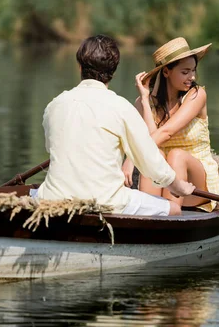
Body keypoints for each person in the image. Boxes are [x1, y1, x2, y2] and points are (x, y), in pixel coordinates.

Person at [36, 35, 195, 216]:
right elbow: (150, 160)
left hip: (52, 198)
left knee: (33, 194)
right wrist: (177, 185)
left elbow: (51, 148)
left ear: (79, 66)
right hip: (106, 201)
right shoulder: (122, 107)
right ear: (114, 71)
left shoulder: (54, 105)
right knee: (174, 210)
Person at [122, 37, 219, 212]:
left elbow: (166, 132)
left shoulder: (196, 95)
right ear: (167, 72)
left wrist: (132, 157)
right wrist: (145, 101)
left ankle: (172, 215)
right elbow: (152, 139)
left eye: (193, 71)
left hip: (194, 185)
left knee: (176, 155)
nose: (191, 77)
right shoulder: (144, 103)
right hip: (162, 178)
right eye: (185, 72)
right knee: (157, 154)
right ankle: (149, 217)